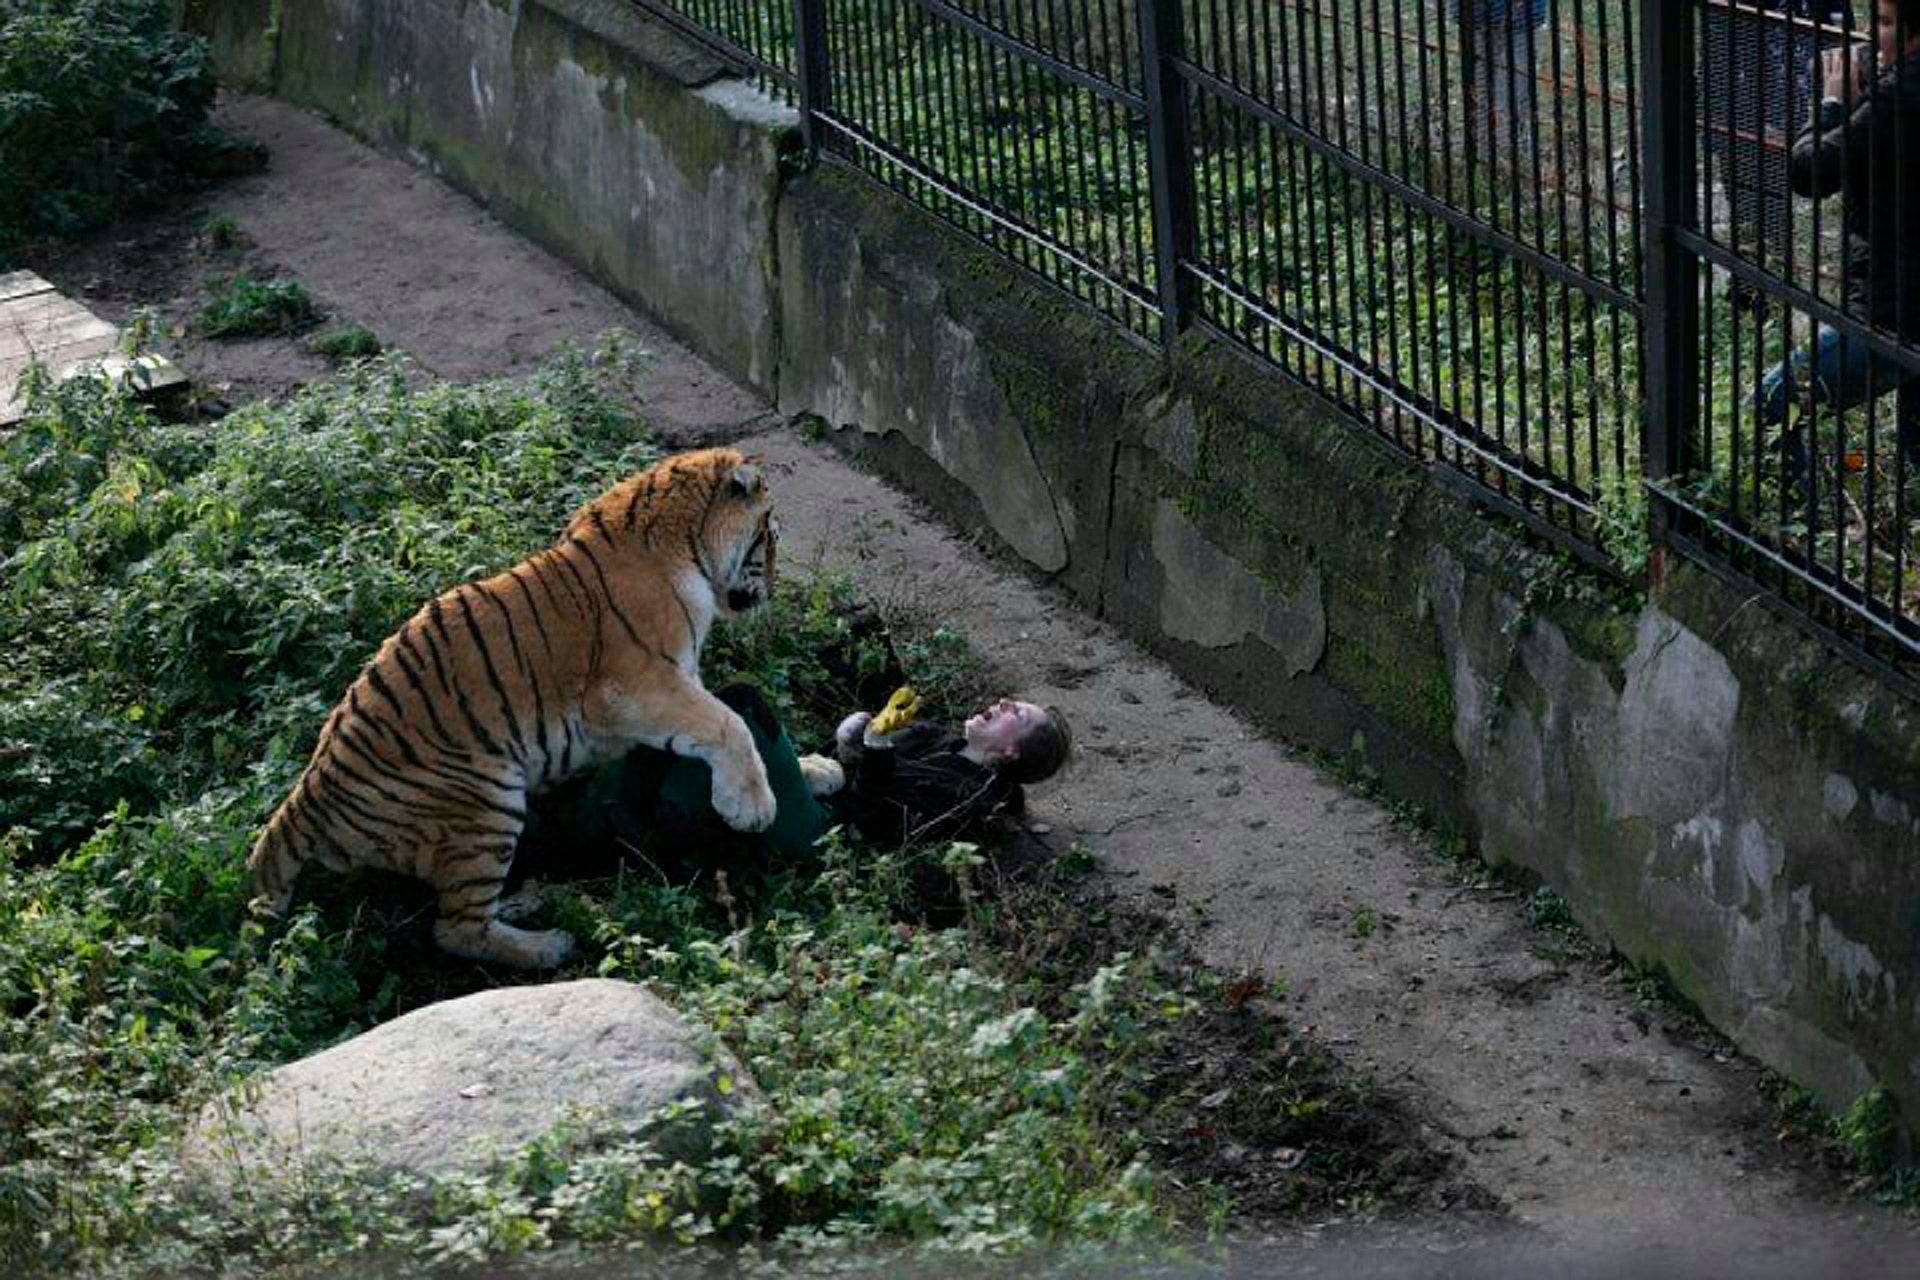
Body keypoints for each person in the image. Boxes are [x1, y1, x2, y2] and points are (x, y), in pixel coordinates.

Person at [522, 683, 1073, 876]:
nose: (1000, 704)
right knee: (700, 742)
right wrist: (856, 735)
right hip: (819, 790)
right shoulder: (936, 734)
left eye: (1013, 714)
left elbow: (884, 820)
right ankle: (624, 820)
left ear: (1010, 750)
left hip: (827, 836)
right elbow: (856, 760)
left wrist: (875, 753)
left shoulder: (972, 796)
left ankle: (674, 826)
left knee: (742, 709)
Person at [1755, 0, 1920, 480]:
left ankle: (1790, 532)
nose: (1872, 36)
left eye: (1886, 24)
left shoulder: (1900, 101)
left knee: (1774, 398)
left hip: (1892, 315)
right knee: (1916, 437)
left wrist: (1831, 102)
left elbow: (1808, 173)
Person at [1699, 0, 1851, 309]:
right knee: (1743, 193)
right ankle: (1753, 281)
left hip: (1783, 98)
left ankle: (1767, 281)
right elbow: (1716, 37)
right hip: (1735, 95)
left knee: (1772, 192)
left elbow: (1839, 27)